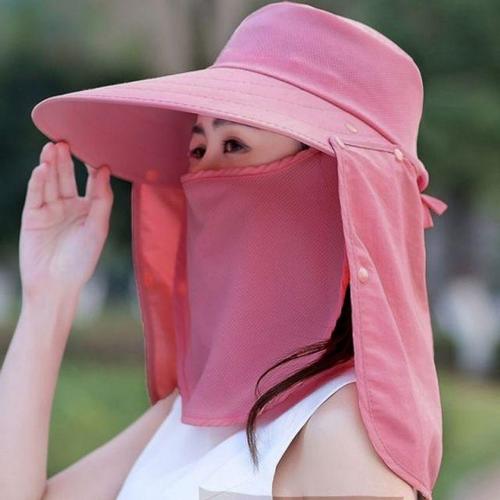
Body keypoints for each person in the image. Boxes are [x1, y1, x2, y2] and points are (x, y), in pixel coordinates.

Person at [6, 2, 448, 499]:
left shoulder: (341, 437)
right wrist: (48, 296)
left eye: (234, 144)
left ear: (332, 186)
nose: (204, 176)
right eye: (198, 150)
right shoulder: (190, 413)